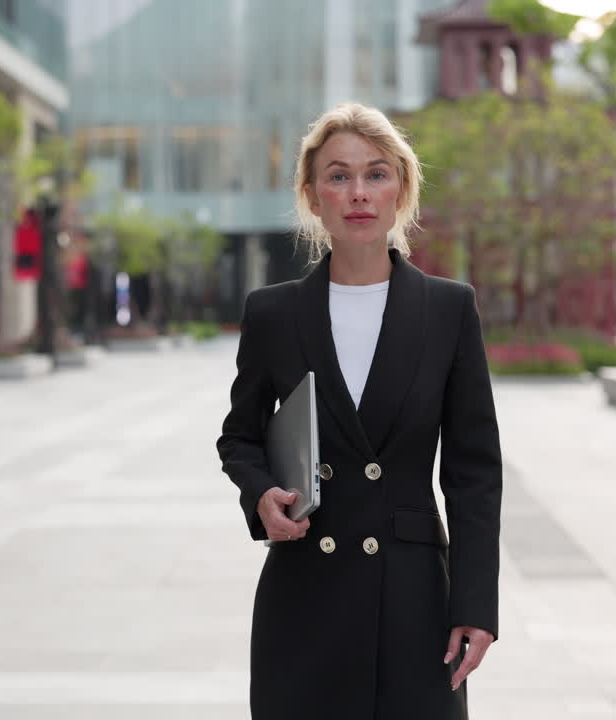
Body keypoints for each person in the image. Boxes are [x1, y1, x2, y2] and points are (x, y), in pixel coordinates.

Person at [215, 102, 502, 719]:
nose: (358, 193)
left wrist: (475, 605)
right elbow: (239, 437)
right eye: (338, 176)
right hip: (305, 593)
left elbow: (474, 473)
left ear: (401, 190)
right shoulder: (273, 313)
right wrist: (261, 494)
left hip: (414, 601)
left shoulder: (448, 310)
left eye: (376, 173)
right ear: (312, 196)